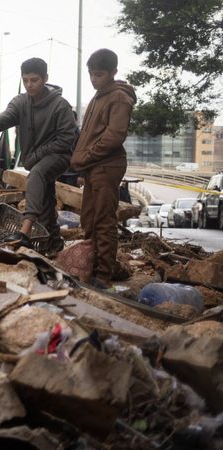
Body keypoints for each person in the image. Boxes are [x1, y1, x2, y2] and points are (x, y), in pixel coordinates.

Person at [0, 57, 76, 255]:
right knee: (46, 201)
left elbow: (66, 139)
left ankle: (25, 231)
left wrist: (37, 155)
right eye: (26, 80)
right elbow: (8, 115)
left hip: (59, 156)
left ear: (45, 78)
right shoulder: (20, 102)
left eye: (34, 80)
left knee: (36, 175)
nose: (29, 85)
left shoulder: (60, 105)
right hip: (36, 160)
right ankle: (53, 243)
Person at [70, 48, 136, 289]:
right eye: (91, 74)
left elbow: (114, 136)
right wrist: (82, 167)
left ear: (113, 72)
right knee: (88, 219)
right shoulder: (99, 96)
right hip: (92, 167)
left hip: (107, 165)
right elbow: (88, 136)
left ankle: (103, 276)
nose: (93, 79)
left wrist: (86, 157)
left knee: (103, 220)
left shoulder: (118, 97)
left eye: (98, 75)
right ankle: (90, 268)